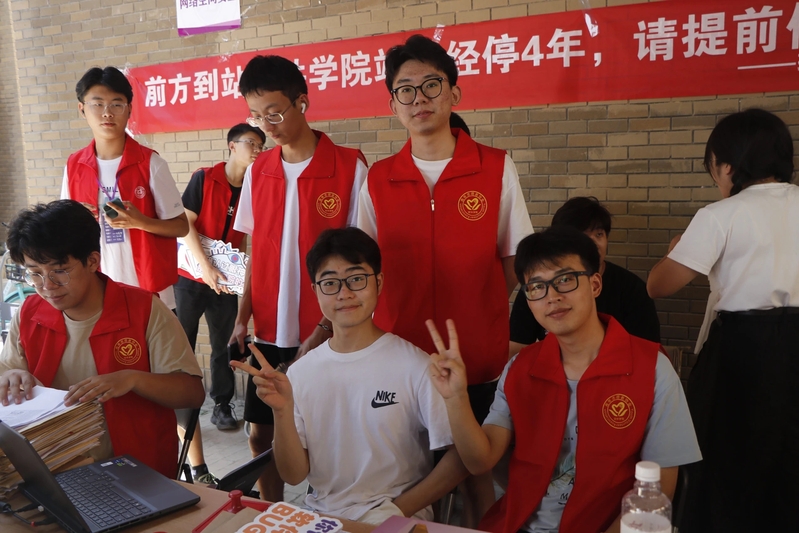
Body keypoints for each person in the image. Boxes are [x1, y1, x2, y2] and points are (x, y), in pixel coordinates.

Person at [358, 34, 532, 523]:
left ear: (454, 93)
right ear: (393, 104)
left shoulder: (495, 167)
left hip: (475, 351)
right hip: (399, 352)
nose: (419, 98)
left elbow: (514, 256)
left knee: (476, 469)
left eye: (431, 85)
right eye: (405, 90)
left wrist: (482, 305)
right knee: (410, 467)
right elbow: (364, 266)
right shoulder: (379, 178)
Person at [428, 226, 701, 533]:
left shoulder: (652, 369)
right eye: (537, 287)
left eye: (565, 279)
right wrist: (455, 398)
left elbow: (660, 487)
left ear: (595, 284)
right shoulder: (520, 368)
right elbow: (481, 460)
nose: (552, 297)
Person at [232, 227, 466, 523]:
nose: (344, 293)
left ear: (378, 282)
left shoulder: (416, 365)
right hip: (322, 521)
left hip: (400, 520)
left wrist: (398, 509)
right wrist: (281, 412)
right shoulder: (301, 372)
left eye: (356, 279)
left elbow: (460, 457)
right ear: (316, 290)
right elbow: (293, 475)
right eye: (330, 283)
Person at [647, 108, 799, 532]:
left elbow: (658, 285)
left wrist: (675, 249)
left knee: (725, 458)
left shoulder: (722, 214)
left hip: (741, 352)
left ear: (728, 166)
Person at [229, 55, 367, 502]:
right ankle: (271, 512)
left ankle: (325, 512)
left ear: (302, 102)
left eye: (275, 113)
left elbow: (358, 268)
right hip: (268, 331)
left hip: (325, 332)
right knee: (261, 434)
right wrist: (241, 317)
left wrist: (326, 327)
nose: (266, 125)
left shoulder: (349, 167)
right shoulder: (259, 171)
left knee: (323, 436)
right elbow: (255, 253)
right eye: (256, 116)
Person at [0, 200, 205, 478]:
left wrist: (133, 379)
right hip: (53, 468)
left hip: (136, 470)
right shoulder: (30, 313)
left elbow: (192, 393)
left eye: (59, 271)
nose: (46, 286)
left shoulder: (143, 310)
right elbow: (7, 377)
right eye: (35, 273)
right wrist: (10, 376)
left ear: (92, 261)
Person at [173, 123, 265, 482]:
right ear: (231, 145)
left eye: (261, 145)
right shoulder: (204, 178)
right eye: (250, 143)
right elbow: (186, 226)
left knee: (225, 342)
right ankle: (181, 409)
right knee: (182, 342)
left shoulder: (253, 189)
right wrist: (206, 268)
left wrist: (236, 275)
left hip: (224, 281)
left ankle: (222, 405)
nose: (256, 149)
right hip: (190, 277)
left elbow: (242, 240)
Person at [60, 66, 188, 310]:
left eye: (116, 104)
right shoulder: (74, 166)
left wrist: (140, 222)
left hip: (149, 289)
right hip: (95, 288)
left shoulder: (150, 163)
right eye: (97, 104)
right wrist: (77, 220)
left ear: (129, 109)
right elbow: (64, 227)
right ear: (82, 109)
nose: (107, 112)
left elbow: (181, 226)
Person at [509, 197, 660, 356]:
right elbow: (516, 349)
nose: (593, 244)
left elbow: (646, 353)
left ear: (595, 285)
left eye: (599, 234)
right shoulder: (536, 291)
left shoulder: (632, 289)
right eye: (582, 236)